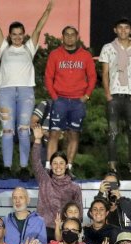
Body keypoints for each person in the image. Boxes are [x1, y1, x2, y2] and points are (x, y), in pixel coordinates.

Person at [0, 0, 53, 179]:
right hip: (6, 92)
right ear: (10, 35)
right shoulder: (4, 48)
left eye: (20, 34)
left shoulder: (29, 48)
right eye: (14, 34)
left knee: (24, 130)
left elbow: (38, 28)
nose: (17, 37)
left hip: (25, 93)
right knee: (7, 131)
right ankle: (7, 167)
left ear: (24, 35)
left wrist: (48, 9)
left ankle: (24, 167)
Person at [98, 18, 131, 174]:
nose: (123, 30)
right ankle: (112, 167)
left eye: (126, 28)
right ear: (115, 30)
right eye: (120, 28)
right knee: (112, 132)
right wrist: (107, 94)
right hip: (114, 95)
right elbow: (105, 73)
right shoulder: (108, 48)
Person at [44, 26, 95, 168]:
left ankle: (69, 168)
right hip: (60, 100)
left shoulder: (85, 55)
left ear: (77, 37)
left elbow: (92, 77)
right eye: (67, 34)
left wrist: (86, 96)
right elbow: (48, 77)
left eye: (73, 35)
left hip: (78, 101)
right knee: (54, 133)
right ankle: (49, 167)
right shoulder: (55, 54)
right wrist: (54, 96)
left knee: (74, 135)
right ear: (62, 37)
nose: (70, 37)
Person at [31, 123, 82, 228]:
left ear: (67, 165)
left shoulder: (74, 188)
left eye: (61, 163)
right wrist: (37, 140)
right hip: (43, 229)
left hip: (65, 231)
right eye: (55, 163)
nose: (58, 166)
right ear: (50, 165)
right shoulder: (44, 180)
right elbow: (36, 162)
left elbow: (79, 213)